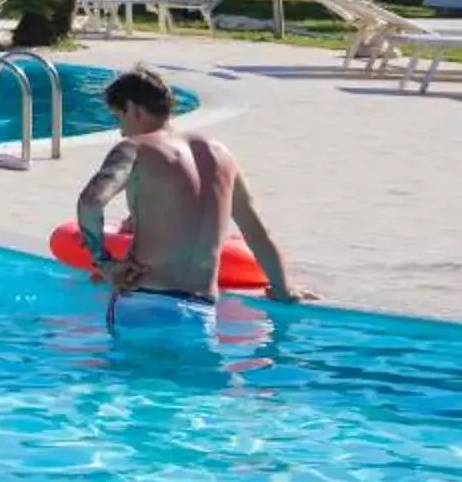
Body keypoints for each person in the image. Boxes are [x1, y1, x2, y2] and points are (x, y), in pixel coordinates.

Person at [74, 68, 313, 318]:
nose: (122, 130)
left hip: (144, 299)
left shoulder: (133, 148)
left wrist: (105, 264)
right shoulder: (222, 155)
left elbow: (91, 201)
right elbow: (256, 233)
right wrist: (284, 289)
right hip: (201, 308)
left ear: (134, 109)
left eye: (119, 118)